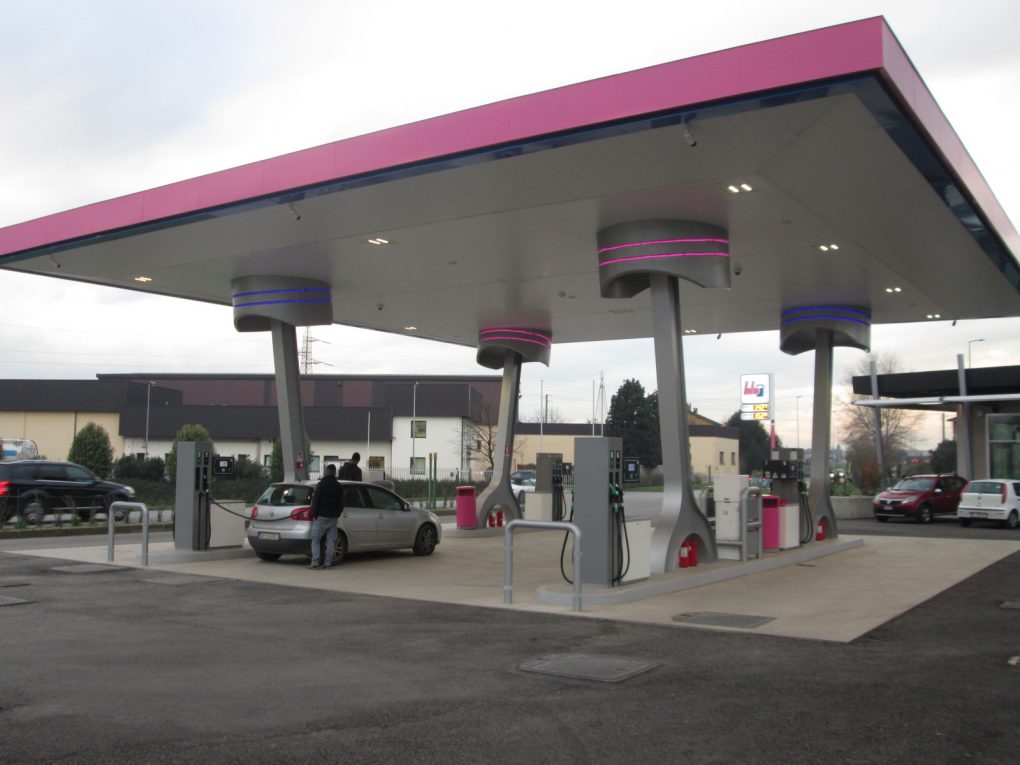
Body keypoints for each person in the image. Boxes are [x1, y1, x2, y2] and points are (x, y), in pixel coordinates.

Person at [309, 463, 344, 569]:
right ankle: (328, 563)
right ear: (334, 472)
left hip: (321, 516)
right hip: (333, 517)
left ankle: (315, 562)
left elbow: (315, 501)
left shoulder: (321, 485)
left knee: (315, 539)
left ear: (326, 472)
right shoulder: (338, 486)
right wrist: (337, 513)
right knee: (330, 541)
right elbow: (342, 503)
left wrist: (314, 514)